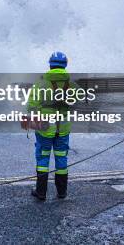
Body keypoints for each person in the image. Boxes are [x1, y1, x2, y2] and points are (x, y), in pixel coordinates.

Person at [27, 51, 75, 200]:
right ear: (65, 64)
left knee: (43, 159)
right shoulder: (72, 84)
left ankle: (41, 192)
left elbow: (31, 106)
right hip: (63, 129)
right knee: (61, 158)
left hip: (44, 129)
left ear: (50, 65)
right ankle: (62, 192)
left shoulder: (40, 83)